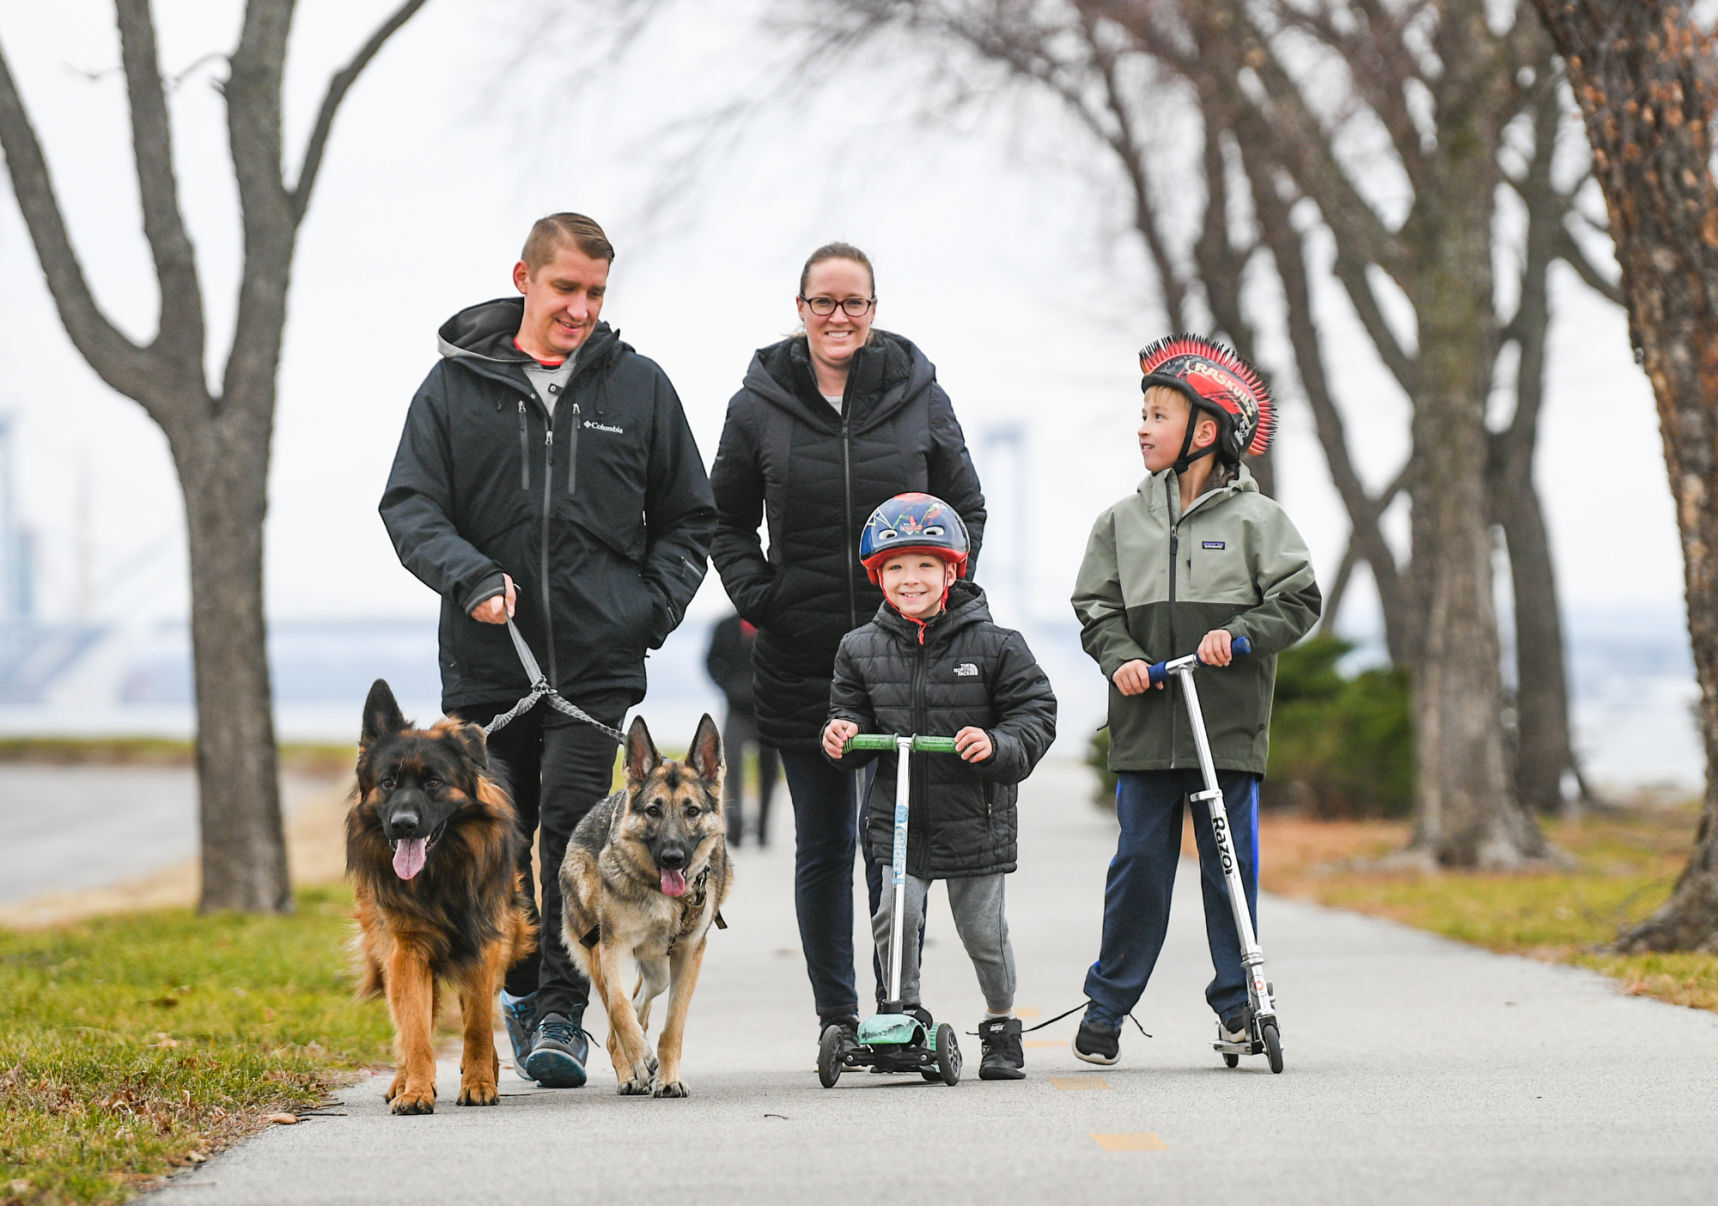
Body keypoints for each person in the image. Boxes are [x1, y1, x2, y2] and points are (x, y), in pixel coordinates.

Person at [379, 212, 716, 1089]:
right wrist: (470, 575)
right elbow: (410, 506)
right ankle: (523, 987)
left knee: (572, 829)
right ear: (524, 278)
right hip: (488, 667)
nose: (581, 309)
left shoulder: (638, 388)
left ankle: (562, 1012)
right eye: (566, 288)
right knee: (503, 838)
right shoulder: (453, 389)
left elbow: (689, 519)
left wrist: (647, 611)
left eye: (596, 293)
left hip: (597, 665)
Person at [709, 242, 987, 1057]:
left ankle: (897, 1009)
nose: (839, 317)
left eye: (854, 303)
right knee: (825, 842)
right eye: (823, 302)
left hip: (907, 656)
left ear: (874, 309)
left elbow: (964, 506)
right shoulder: (755, 405)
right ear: (799, 309)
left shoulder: (918, 396)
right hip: (801, 660)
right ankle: (837, 1014)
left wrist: (946, 605)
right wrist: (765, 600)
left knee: (893, 840)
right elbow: (722, 519)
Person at [1069, 335, 1321, 1066]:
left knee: (1227, 869)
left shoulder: (1256, 521)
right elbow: (1095, 607)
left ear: (1205, 432)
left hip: (1227, 727)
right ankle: (1108, 1006)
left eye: (1158, 415)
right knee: (1139, 868)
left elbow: (1299, 600)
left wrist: (1239, 635)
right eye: (1141, 414)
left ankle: (1240, 1007)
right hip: (1148, 725)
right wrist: (1121, 659)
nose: (1142, 427)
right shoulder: (1120, 522)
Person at [822, 493, 1056, 1080]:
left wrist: (997, 745)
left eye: (926, 565)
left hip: (973, 814)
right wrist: (842, 735)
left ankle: (1002, 1024)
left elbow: (1035, 713)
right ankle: (901, 1014)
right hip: (899, 819)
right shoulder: (859, 649)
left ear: (953, 570)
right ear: (878, 576)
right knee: (893, 917)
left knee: (982, 932)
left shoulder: (998, 646)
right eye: (896, 567)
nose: (911, 580)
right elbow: (848, 714)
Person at [704, 611, 779, 846]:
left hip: (768, 709)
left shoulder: (773, 624)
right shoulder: (725, 626)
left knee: (769, 770)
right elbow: (711, 661)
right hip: (736, 709)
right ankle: (735, 826)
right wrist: (729, 687)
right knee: (731, 767)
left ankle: (762, 830)